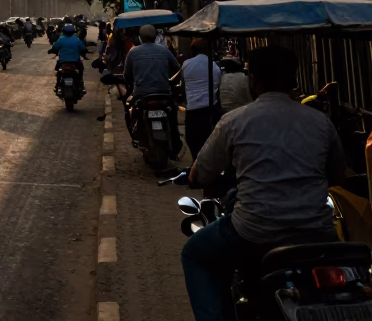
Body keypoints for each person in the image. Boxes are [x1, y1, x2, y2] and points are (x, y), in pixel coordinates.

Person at [181, 45, 346, 321]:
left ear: (253, 79)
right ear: (293, 80)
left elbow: (201, 174)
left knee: (195, 254)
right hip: (317, 232)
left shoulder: (233, 121)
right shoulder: (320, 122)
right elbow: (338, 176)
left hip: (254, 232)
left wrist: (194, 176)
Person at [123, 23, 182, 156]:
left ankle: (136, 136)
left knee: (129, 110)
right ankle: (175, 138)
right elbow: (177, 68)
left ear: (140, 37)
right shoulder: (164, 50)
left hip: (141, 95)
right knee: (173, 114)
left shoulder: (133, 52)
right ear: (156, 36)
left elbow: (126, 75)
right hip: (164, 93)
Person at [182, 38, 222, 160]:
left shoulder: (186, 64)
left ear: (192, 50)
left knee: (193, 142)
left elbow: (183, 87)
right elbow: (218, 88)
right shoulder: (214, 66)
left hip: (192, 109)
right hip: (210, 110)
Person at [49, 22, 87, 90]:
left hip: (63, 61)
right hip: (75, 61)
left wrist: (50, 51)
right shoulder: (77, 40)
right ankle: (81, 83)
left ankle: (58, 85)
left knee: (58, 70)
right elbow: (83, 48)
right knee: (81, 69)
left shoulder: (61, 40)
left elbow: (54, 48)